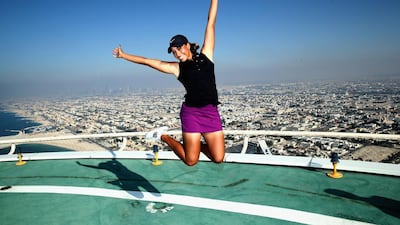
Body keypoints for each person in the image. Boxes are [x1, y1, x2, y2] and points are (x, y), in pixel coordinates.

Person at [112, 0, 224, 166]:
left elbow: (211, 22)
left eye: (179, 48)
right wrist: (124, 55)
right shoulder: (177, 68)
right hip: (191, 113)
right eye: (174, 52)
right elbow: (147, 61)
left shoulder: (206, 55)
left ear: (187, 45)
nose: (177, 53)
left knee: (218, 158)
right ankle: (163, 136)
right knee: (191, 160)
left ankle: (193, 146)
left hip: (210, 112)